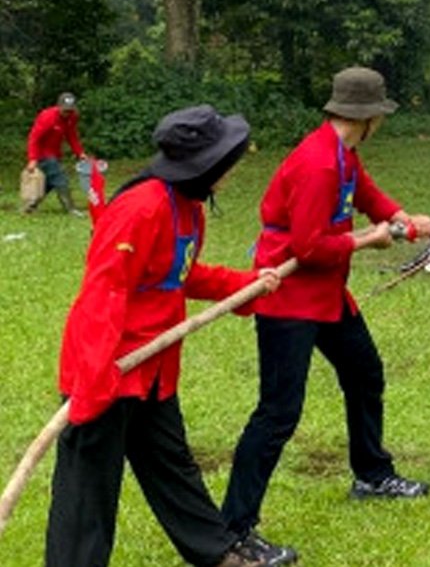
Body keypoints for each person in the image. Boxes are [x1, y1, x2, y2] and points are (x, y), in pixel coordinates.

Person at [45, 105, 286, 567]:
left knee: (171, 463)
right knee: (88, 486)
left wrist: (244, 285)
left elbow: (178, 275)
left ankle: (215, 552)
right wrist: (93, 386)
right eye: (227, 161)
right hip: (108, 366)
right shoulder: (141, 208)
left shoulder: (187, 207)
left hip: (153, 370)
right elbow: (104, 293)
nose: (231, 170)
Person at [221, 67, 430, 557]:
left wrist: (399, 217)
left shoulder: (343, 154)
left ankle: (372, 475)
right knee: (278, 413)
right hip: (289, 298)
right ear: (369, 117)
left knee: (365, 373)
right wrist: (367, 240)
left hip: (326, 296)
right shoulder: (318, 163)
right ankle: (233, 531)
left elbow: (366, 194)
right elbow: (308, 246)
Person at [24, 92, 87, 215]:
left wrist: (80, 153)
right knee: (60, 178)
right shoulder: (47, 117)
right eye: (65, 111)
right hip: (42, 154)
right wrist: (32, 159)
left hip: (55, 154)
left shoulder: (72, 117)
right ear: (59, 107)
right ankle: (71, 209)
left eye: (70, 110)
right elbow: (34, 138)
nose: (67, 114)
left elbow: (72, 136)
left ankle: (31, 204)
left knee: (50, 182)